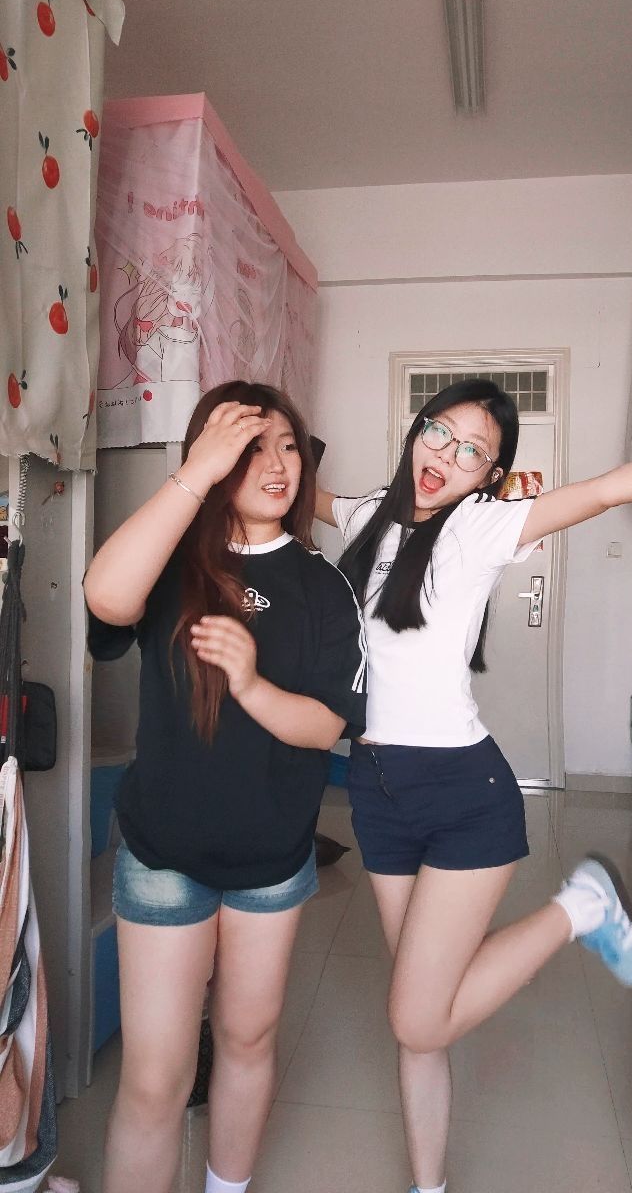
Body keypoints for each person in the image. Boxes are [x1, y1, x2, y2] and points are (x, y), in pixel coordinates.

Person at [316, 378, 632, 1193]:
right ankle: (429, 1185)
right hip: (377, 787)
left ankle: (580, 908)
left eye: (475, 451)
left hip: (462, 791)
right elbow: (296, 493)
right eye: (440, 432)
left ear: (490, 476)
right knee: (420, 1021)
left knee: (415, 1016)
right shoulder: (365, 516)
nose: (447, 455)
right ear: (417, 429)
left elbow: (608, 489)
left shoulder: (480, 526)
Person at [84, 381, 366, 1193]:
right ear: (209, 458)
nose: (277, 463)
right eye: (248, 447)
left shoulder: (324, 585)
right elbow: (105, 597)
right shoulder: (171, 558)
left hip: (271, 865)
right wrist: (195, 476)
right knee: (155, 1079)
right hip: (163, 858)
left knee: (247, 1042)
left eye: (288, 445)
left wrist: (248, 683)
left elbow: (325, 725)